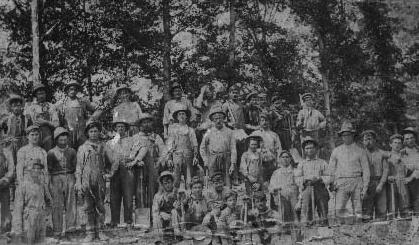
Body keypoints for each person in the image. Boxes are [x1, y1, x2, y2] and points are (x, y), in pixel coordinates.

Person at [128, 113, 167, 226]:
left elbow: (163, 151)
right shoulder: (135, 138)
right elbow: (130, 153)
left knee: (153, 192)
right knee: (140, 193)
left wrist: (159, 162)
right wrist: (136, 160)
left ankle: (154, 219)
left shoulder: (156, 137)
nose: (146, 124)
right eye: (144, 122)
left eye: (148, 122)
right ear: (140, 125)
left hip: (153, 169)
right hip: (139, 169)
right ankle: (142, 222)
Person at [75, 120, 110, 242]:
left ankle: (100, 231)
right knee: (88, 206)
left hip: (99, 180)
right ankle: (90, 232)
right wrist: (78, 182)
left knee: (100, 206)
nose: (94, 133)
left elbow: (112, 161)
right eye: (91, 131)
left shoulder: (103, 146)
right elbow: (79, 167)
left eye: (96, 131)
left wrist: (109, 174)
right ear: (87, 133)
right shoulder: (82, 148)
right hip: (86, 180)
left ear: (99, 132)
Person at [329, 122, 370, 224]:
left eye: (348, 134)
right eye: (344, 135)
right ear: (341, 136)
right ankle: (340, 232)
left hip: (357, 181)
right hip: (341, 182)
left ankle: (359, 230)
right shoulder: (336, 151)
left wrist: (365, 187)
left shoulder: (361, 151)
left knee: (358, 209)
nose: (346, 137)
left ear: (353, 135)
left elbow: (366, 170)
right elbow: (331, 169)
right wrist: (331, 183)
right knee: (339, 208)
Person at [47, 127, 77, 236]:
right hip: (56, 178)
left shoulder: (72, 151)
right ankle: (57, 230)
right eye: (61, 140)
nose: (63, 142)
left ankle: (70, 228)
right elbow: (49, 169)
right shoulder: (51, 153)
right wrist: (50, 183)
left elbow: (75, 166)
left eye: (65, 140)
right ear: (56, 140)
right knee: (57, 204)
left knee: (71, 202)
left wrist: (74, 179)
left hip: (69, 176)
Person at [106, 116, 135, 228]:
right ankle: (114, 221)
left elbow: (133, 154)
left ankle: (128, 221)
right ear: (115, 128)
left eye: (122, 127)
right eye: (118, 127)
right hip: (115, 170)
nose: (120, 129)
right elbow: (109, 157)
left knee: (128, 196)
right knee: (114, 196)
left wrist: (128, 159)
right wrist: (115, 163)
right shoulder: (110, 142)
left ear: (126, 128)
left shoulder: (131, 140)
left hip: (127, 169)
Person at [11, 160, 49, 244]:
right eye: (34, 168)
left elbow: (48, 200)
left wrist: (46, 214)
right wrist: (18, 229)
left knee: (41, 242)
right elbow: (18, 208)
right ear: (29, 170)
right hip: (28, 218)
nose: (36, 170)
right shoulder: (23, 186)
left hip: (41, 218)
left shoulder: (42, 184)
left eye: (38, 168)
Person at [296, 136, 329, 225]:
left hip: (319, 187)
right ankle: (309, 226)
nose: (309, 150)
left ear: (316, 149)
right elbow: (297, 177)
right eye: (307, 148)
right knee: (307, 209)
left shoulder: (322, 162)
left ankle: (324, 225)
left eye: (311, 148)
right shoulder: (301, 164)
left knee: (323, 207)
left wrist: (320, 178)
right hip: (307, 187)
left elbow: (329, 175)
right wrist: (304, 180)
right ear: (304, 150)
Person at [200, 106, 237, 187]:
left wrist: (233, 163)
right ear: (212, 120)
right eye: (215, 119)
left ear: (224, 119)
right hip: (213, 159)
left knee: (227, 181)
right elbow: (202, 148)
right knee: (213, 181)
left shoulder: (230, 132)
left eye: (220, 118)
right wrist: (205, 160)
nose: (218, 120)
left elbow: (233, 148)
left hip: (226, 158)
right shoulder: (209, 132)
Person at [56, 81, 98, 148]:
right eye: (71, 89)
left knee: (84, 150)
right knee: (68, 152)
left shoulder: (83, 101)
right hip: (67, 132)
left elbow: (98, 108)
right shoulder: (61, 104)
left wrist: (91, 119)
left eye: (75, 89)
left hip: (81, 132)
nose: (73, 91)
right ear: (67, 90)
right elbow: (56, 119)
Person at [167, 104, 199, 187]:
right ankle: (175, 198)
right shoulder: (173, 130)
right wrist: (169, 158)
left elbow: (195, 145)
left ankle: (189, 197)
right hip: (177, 156)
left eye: (183, 114)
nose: (181, 116)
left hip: (188, 156)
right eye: (179, 114)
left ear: (186, 117)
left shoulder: (190, 130)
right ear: (177, 117)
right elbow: (170, 145)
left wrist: (195, 157)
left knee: (189, 180)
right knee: (175, 180)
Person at [361, 130, 389, 221]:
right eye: (365, 140)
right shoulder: (361, 154)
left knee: (381, 210)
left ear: (375, 140)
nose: (367, 142)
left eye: (370, 139)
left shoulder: (382, 153)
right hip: (366, 183)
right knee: (366, 211)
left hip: (379, 182)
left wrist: (381, 184)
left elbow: (386, 170)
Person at [24, 83, 59, 151]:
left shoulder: (51, 106)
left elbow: (56, 124)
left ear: (46, 94)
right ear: (36, 95)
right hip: (34, 136)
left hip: (48, 136)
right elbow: (26, 125)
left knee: (48, 155)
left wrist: (46, 122)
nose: (41, 96)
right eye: (39, 94)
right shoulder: (30, 107)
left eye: (43, 93)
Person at [268, 150, 299, 224]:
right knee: (282, 204)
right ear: (280, 159)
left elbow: (299, 184)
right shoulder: (276, 173)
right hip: (281, 196)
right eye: (283, 157)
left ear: (290, 159)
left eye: (287, 157)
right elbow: (271, 187)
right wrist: (275, 189)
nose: (285, 159)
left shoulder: (295, 171)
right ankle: (284, 225)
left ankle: (296, 226)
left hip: (294, 196)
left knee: (295, 206)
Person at [251, 111, 282, 182]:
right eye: (262, 120)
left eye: (266, 120)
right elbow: (250, 149)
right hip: (259, 165)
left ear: (269, 122)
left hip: (272, 164)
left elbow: (279, 149)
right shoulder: (255, 134)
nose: (264, 122)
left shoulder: (274, 135)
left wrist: (278, 162)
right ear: (259, 122)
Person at [0, 94, 31, 164]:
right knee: (12, 163)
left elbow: (30, 131)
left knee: (23, 162)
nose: (16, 108)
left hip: (23, 143)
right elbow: (3, 132)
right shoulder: (7, 120)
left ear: (21, 106)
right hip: (11, 144)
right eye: (14, 106)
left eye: (18, 105)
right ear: (11, 107)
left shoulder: (26, 119)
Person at [387, 134, 411, 218]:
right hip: (391, 183)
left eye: (399, 143)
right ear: (390, 144)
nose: (397, 145)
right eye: (395, 143)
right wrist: (388, 177)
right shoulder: (387, 156)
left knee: (405, 204)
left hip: (403, 182)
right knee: (392, 206)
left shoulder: (406, 156)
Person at [152, 171, 178, 243]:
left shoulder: (177, 193)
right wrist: (161, 214)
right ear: (162, 185)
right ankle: (158, 239)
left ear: (172, 182)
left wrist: (177, 207)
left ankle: (178, 234)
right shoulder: (158, 196)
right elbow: (155, 210)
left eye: (169, 182)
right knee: (156, 216)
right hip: (163, 218)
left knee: (174, 211)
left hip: (176, 217)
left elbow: (182, 207)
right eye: (165, 183)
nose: (167, 185)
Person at [401, 127, 419, 214]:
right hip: (405, 185)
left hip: (417, 183)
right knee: (406, 210)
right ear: (404, 140)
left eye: (411, 138)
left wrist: (411, 177)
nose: (410, 140)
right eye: (407, 138)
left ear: (415, 138)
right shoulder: (401, 153)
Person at [0, 143, 14, 233]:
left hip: (3, 183)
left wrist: (5, 179)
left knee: (5, 204)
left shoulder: (7, 152)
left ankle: (5, 226)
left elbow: (11, 168)